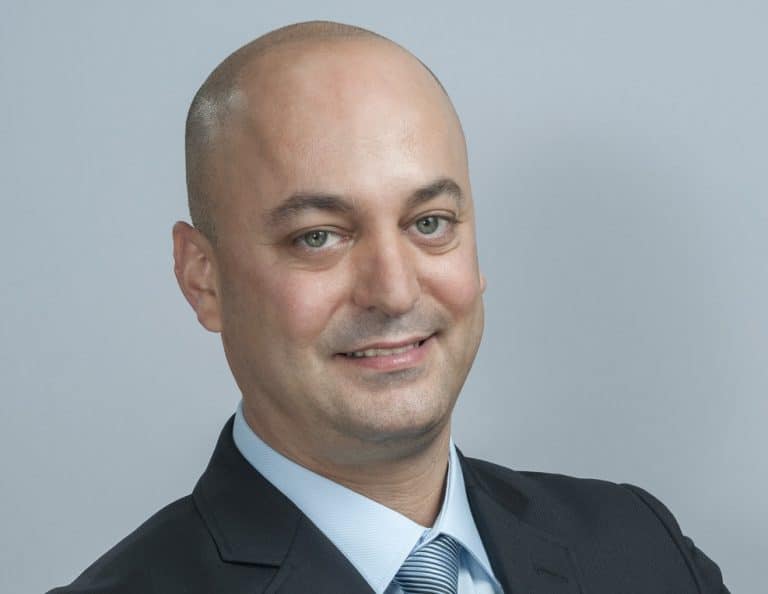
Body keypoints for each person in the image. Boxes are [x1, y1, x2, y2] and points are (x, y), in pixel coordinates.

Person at [48, 20, 729, 594]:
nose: (395, 291)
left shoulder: (645, 551)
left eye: (429, 223)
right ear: (203, 280)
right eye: (318, 236)